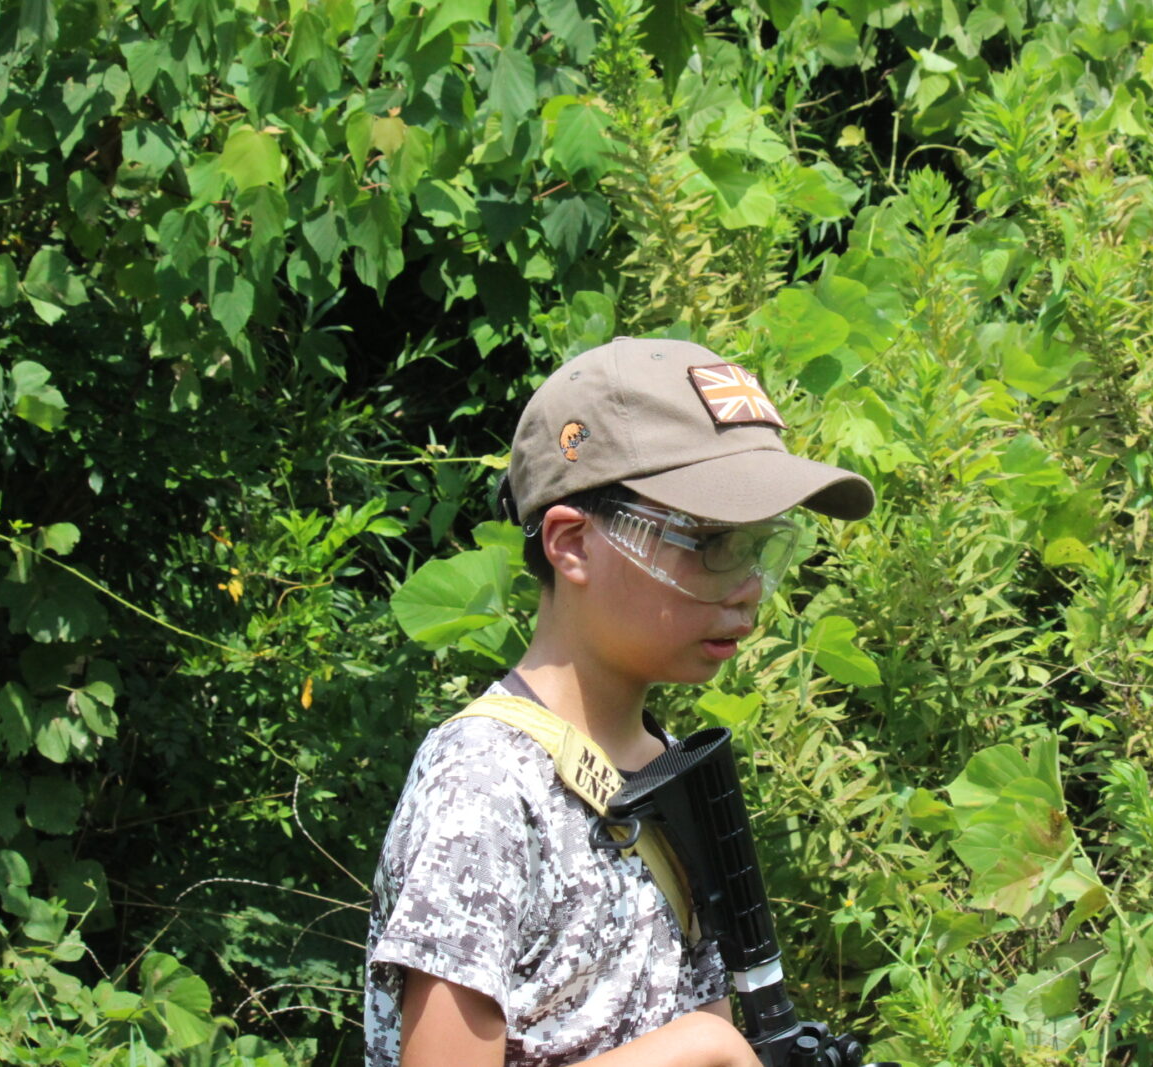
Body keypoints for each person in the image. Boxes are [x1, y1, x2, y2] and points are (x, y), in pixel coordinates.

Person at [364, 337, 874, 1066]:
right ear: (572, 543)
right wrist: (703, 1047)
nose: (749, 587)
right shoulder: (486, 785)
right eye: (710, 541)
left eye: (760, 544)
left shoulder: (666, 766)